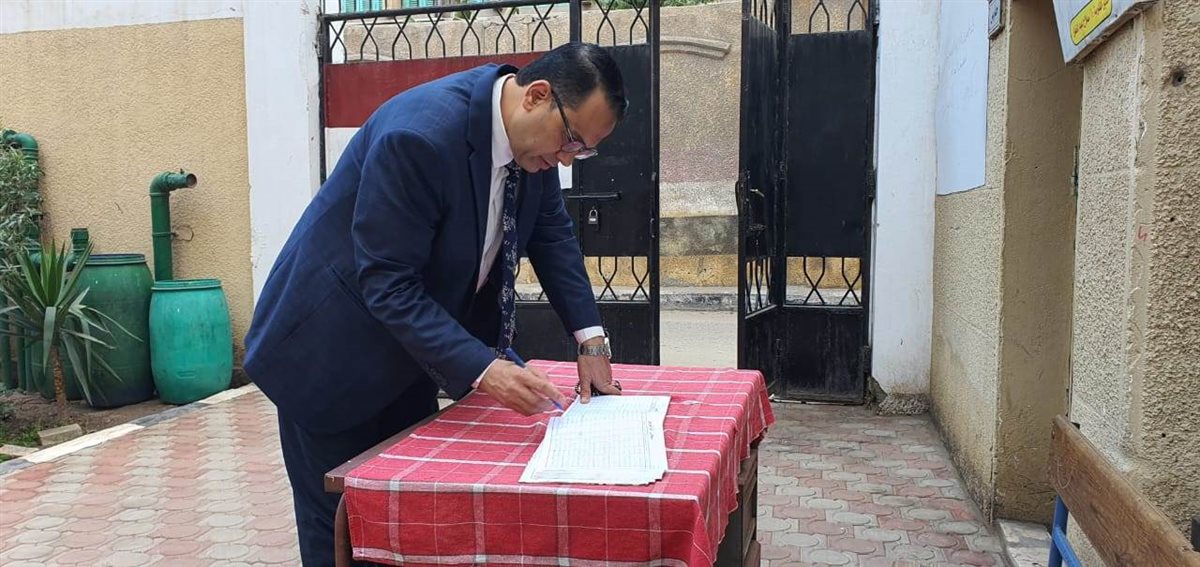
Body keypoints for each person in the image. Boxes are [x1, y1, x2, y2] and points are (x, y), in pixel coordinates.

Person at [242, 42, 629, 566]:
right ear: (537, 96)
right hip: (329, 357)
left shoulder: (531, 153)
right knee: (341, 535)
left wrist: (591, 341)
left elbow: (553, 235)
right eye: (572, 140)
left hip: (409, 356)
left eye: (582, 152)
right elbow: (389, 284)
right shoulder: (419, 136)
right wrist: (486, 370)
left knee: (405, 528)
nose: (566, 158)